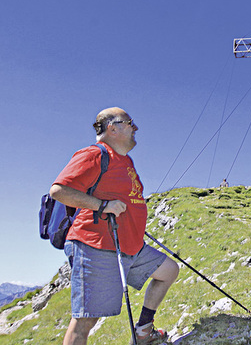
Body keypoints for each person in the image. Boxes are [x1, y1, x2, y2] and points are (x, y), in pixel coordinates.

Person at [50, 107, 179, 345]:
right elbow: (59, 190)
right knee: (86, 319)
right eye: (130, 122)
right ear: (113, 128)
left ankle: (143, 331)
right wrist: (102, 205)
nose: (135, 127)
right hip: (96, 246)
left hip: (129, 246)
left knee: (169, 271)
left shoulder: (125, 161)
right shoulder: (94, 154)